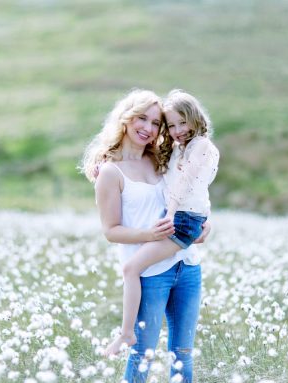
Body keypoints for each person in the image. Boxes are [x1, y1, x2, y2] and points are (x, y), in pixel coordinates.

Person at [80, 89, 210, 382]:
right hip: (150, 273)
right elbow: (111, 231)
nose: (148, 128)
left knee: (184, 355)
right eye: (142, 118)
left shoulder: (162, 159)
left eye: (155, 123)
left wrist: (205, 225)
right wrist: (149, 235)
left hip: (187, 265)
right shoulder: (110, 173)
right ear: (126, 119)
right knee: (142, 355)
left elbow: (192, 193)